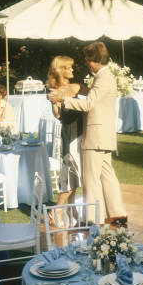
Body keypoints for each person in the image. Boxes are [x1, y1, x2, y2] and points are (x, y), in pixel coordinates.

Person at [48, 42, 127, 226]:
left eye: (88, 59)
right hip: (103, 135)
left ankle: (93, 221)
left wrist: (62, 99)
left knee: (91, 181)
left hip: (95, 136)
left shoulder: (103, 77)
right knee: (108, 178)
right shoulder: (105, 76)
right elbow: (94, 98)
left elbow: (88, 104)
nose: (86, 63)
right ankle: (118, 217)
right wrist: (76, 90)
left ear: (96, 60)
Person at [46, 56, 83, 227]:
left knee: (76, 174)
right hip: (71, 132)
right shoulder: (55, 90)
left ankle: (71, 208)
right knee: (70, 172)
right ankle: (56, 210)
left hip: (80, 132)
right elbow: (58, 115)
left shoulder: (73, 87)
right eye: (68, 68)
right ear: (61, 69)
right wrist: (58, 101)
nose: (72, 70)